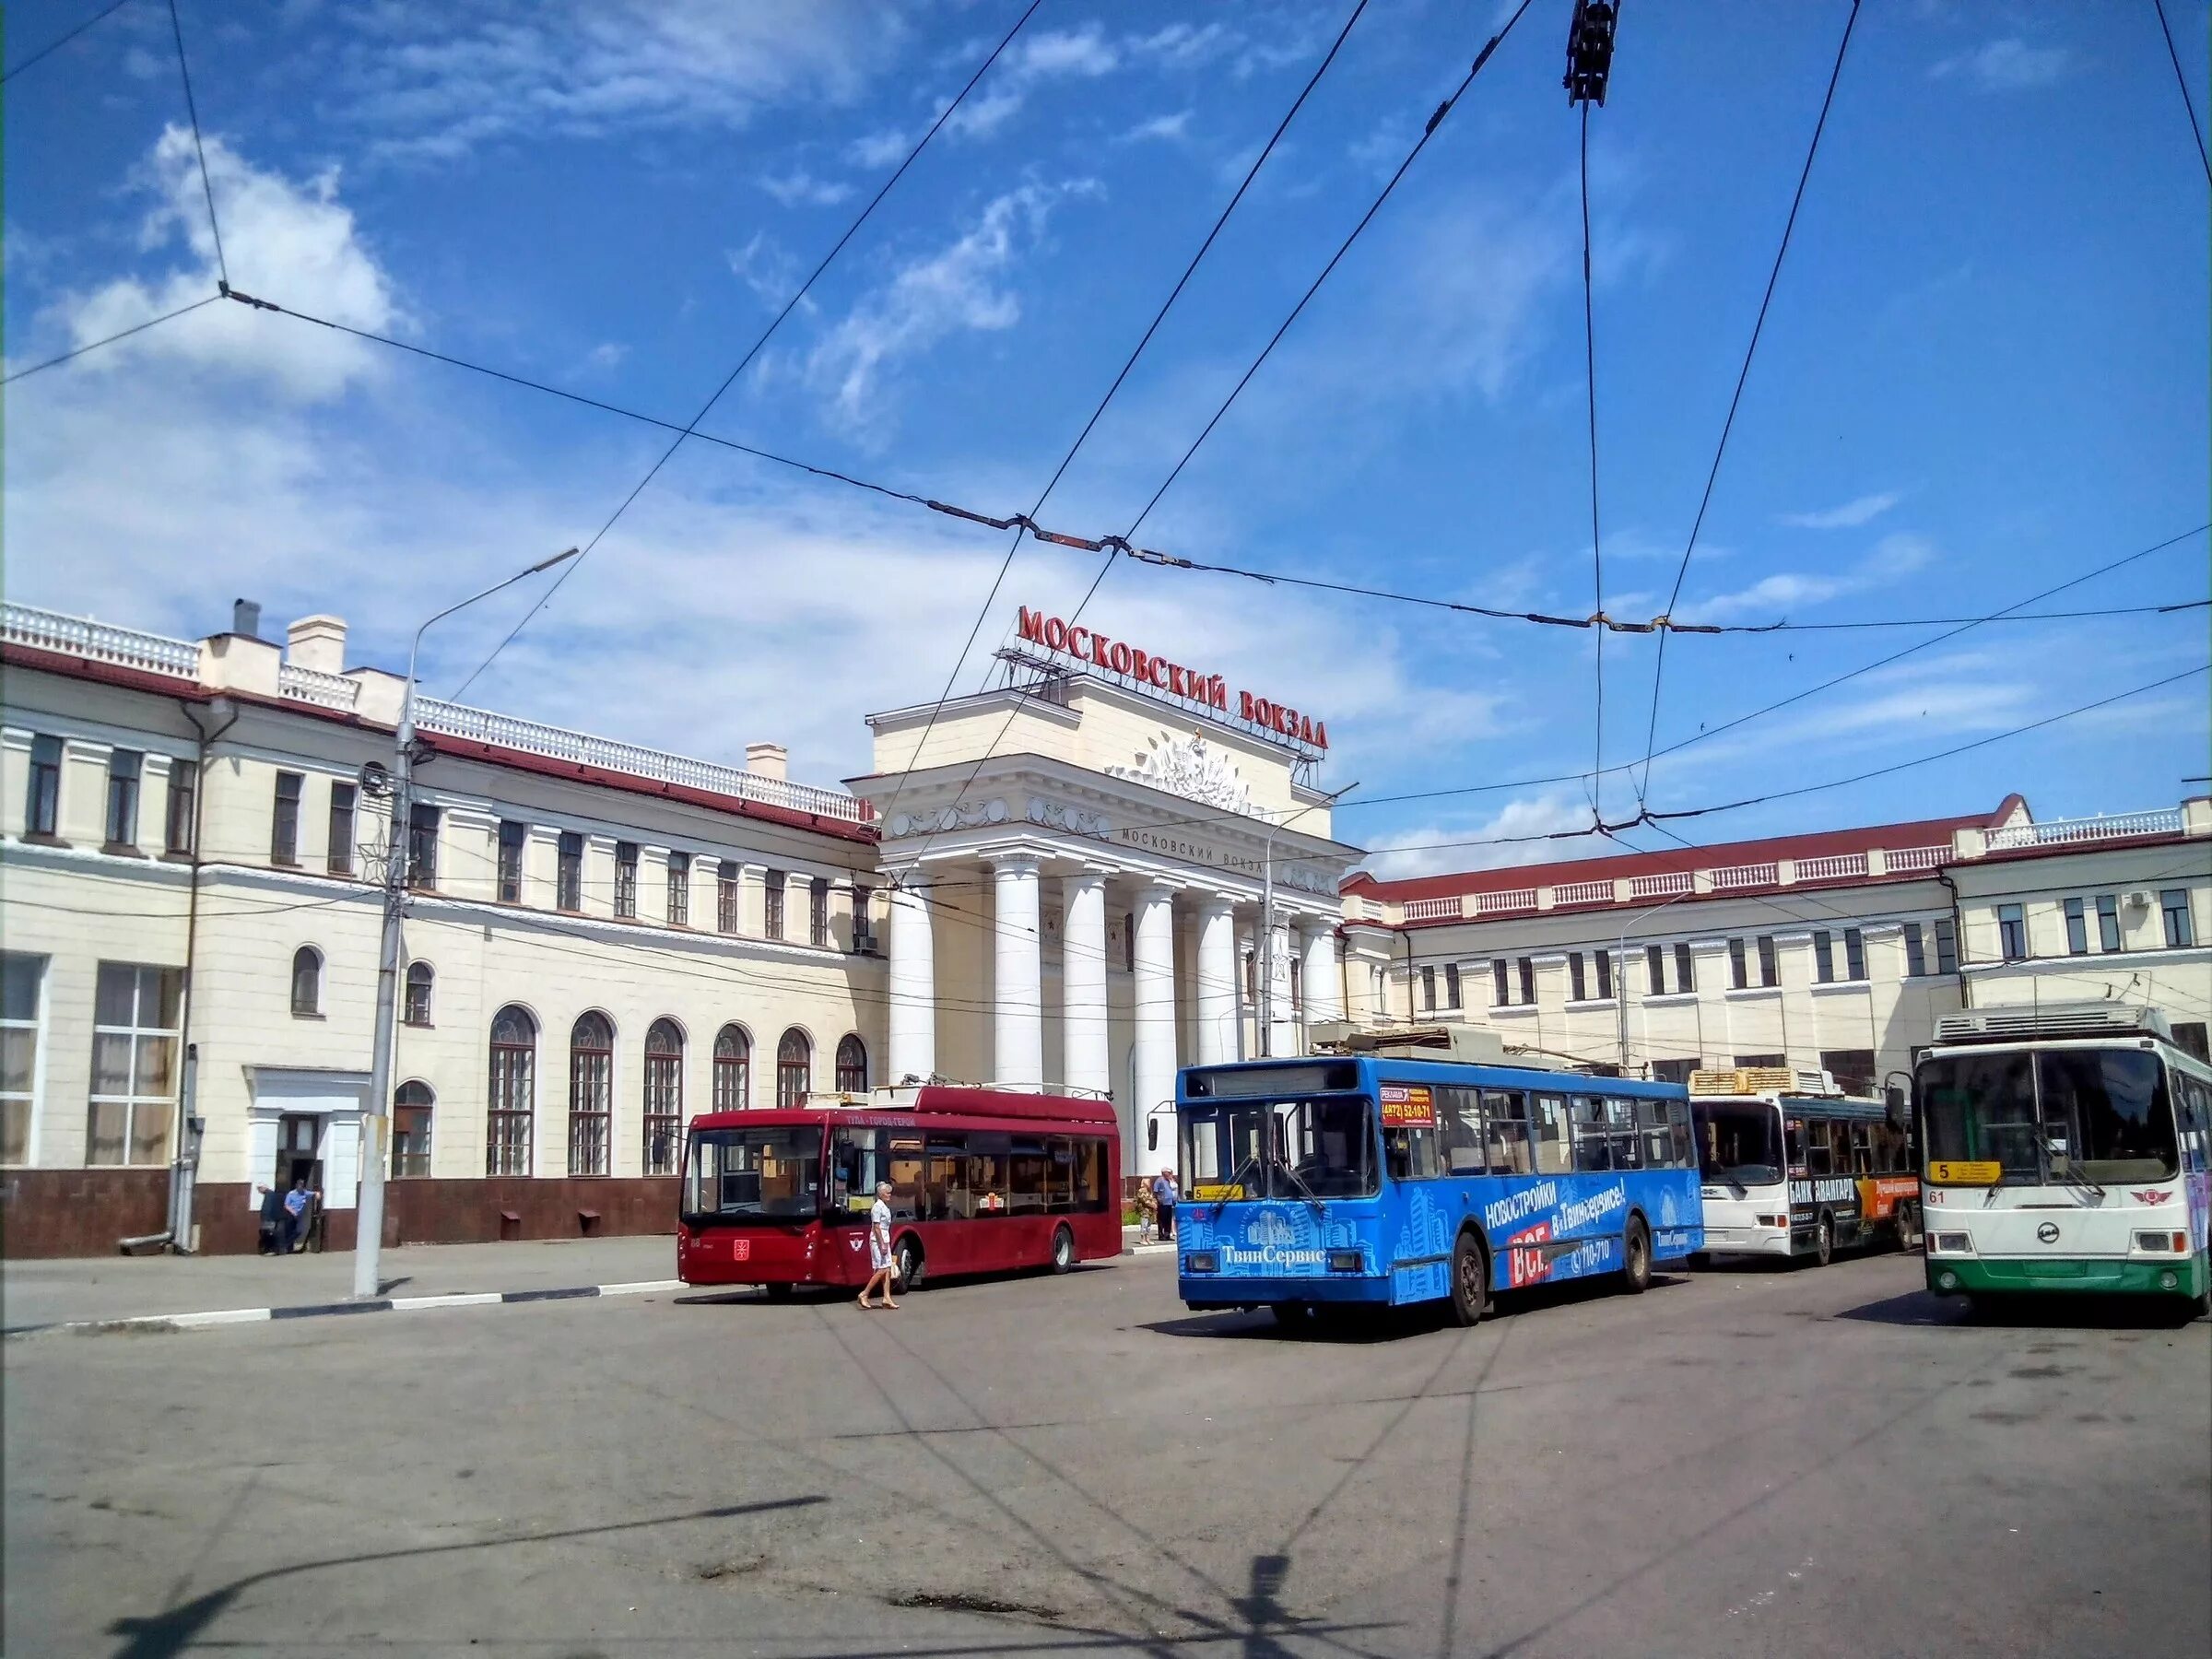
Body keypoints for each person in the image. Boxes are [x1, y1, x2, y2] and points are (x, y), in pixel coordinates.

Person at [858, 1181, 900, 1310]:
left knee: (887, 1269)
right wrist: (882, 1244)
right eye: (887, 1193)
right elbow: (876, 1227)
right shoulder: (877, 1207)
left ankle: (887, 1297)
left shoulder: (885, 1207)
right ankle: (864, 1294)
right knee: (882, 1269)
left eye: (890, 1193)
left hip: (884, 1241)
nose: (889, 1195)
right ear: (881, 1194)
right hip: (878, 1241)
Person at [280, 1178, 319, 1254]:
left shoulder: (305, 1193)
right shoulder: (291, 1194)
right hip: (290, 1214)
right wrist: (293, 1212)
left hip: (298, 1216)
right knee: (290, 1231)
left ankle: (286, 1246)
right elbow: (286, 1205)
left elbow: (314, 1193)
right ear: (297, 1186)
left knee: (298, 1231)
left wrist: (317, 1194)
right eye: (299, 1186)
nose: (301, 1187)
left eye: (302, 1186)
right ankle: (286, 1248)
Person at [254, 1185, 286, 1256]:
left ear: (263, 1188)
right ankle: (277, 1250)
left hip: (270, 1218)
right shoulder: (271, 1194)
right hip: (274, 1217)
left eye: (259, 1189)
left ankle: (273, 1250)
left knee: (270, 1233)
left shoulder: (269, 1195)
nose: (259, 1192)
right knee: (272, 1233)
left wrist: (265, 1217)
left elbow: (267, 1208)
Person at [1151, 1167, 1180, 1243]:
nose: (1170, 1174)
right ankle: (1161, 1235)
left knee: (1168, 1220)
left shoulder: (1168, 1181)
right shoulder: (1159, 1180)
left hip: (1169, 1202)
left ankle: (1167, 1235)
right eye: (1169, 1173)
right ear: (1164, 1173)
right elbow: (1155, 1191)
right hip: (1162, 1203)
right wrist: (1158, 1200)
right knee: (1161, 1220)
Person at [1133, 1177, 1157, 1245]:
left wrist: (1155, 1204)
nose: (1150, 1184)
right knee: (1144, 1225)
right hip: (1144, 1211)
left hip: (1150, 1211)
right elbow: (1144, 1200)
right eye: (1148, 1182)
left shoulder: (1149, 1191)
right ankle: (1143, 1239)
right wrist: (1152, 1205)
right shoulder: (1141, 1191)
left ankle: (1148, 1238)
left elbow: (1153, 1198)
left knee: (1149, 1225)